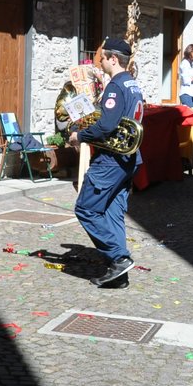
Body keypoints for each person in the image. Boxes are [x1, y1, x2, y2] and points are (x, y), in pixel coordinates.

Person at [69, 37, 145, 288]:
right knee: (113, 213)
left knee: (86, 209)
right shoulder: (132, 84)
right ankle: (119, 275)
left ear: (114, 59)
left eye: (101, 57)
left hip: (111, 160)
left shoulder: (116, 86)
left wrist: (80, 135)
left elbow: (107, 125)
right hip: (128, 159)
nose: (98, 61)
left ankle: (118, 258)